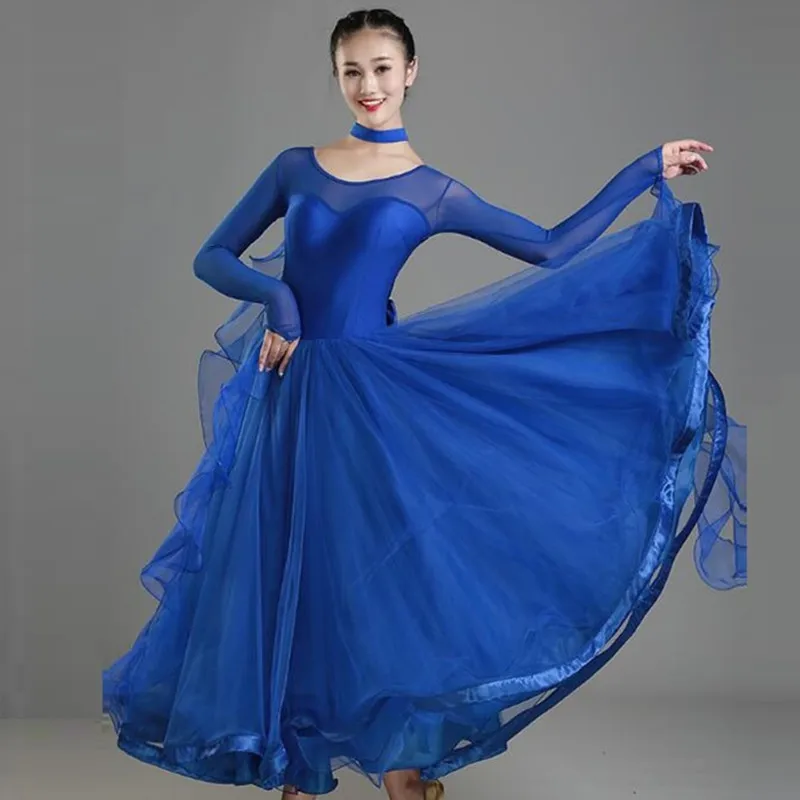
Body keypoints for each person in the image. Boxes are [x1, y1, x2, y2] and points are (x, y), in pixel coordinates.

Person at [102, 8, 747, 800]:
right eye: (351, 71)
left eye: (381, 68)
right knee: (286, 572)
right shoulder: (295, 168)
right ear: (337, 77)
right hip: (292, 397)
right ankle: (295, 768)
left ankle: (401, 767)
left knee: (376, 580)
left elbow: (548, 246)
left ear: (410, 73)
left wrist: (644, 170)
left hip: (371, 404)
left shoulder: (431, 190)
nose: (367, 85)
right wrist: (280, 302)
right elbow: (212, 256)